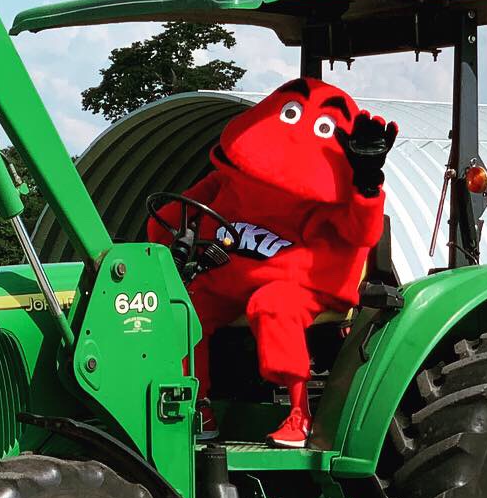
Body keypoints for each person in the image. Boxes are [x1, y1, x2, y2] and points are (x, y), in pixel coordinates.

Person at [147, 78, 396, 448]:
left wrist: (366, 186)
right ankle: (196, 405)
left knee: (274, 304)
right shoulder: (229, 182)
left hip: (302, 284)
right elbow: (169, 217)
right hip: (227, 277)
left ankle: (300, 414)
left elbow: (361, 232)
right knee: (182, 310)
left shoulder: (327, 201)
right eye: (289, 113)